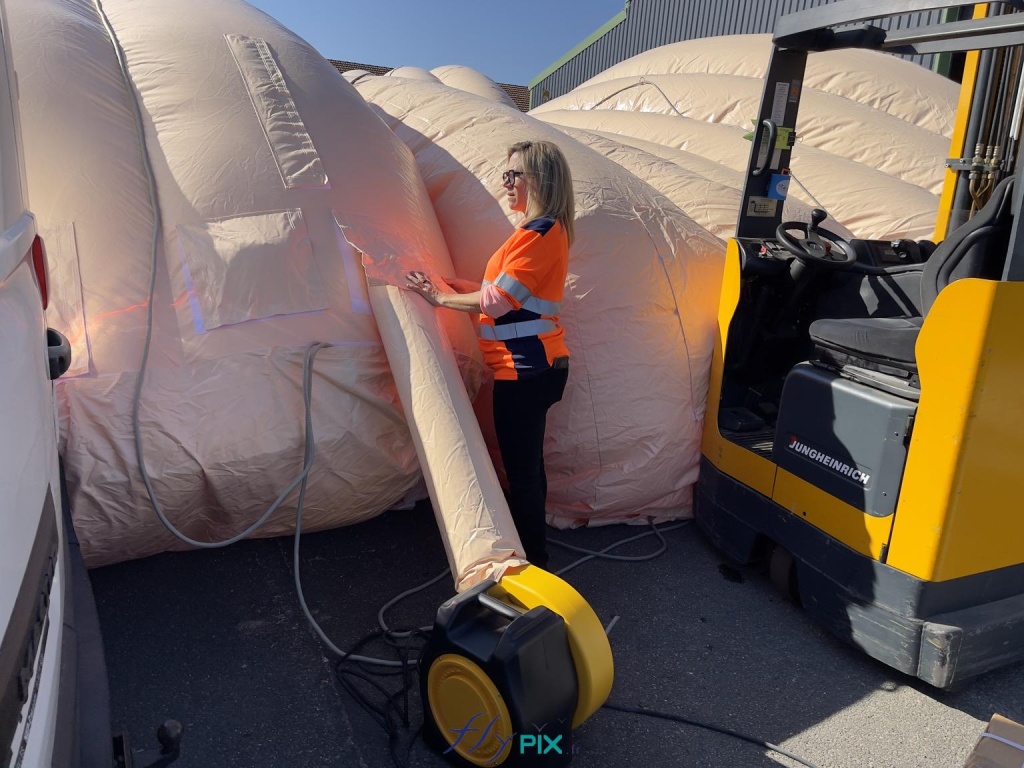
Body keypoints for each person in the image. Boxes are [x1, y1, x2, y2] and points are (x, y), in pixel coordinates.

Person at [405, 139, 574, 568]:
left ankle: (533, 563)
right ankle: (535, 553)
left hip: (526, 372)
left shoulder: (541, 234)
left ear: (540, 178)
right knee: (528, 466)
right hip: (535, 369)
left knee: (522, 472)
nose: (506, 183)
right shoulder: (535, 233)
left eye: (513, 174)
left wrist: (440, 300)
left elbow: (499, 301)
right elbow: (500, 293)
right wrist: (453, 287)